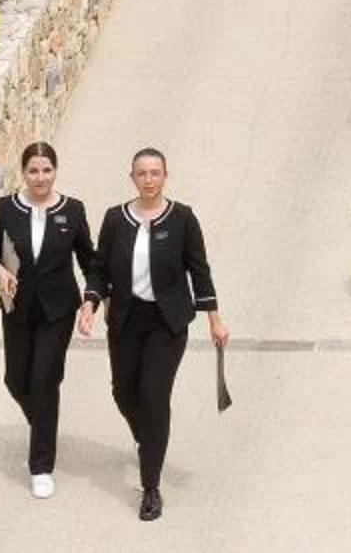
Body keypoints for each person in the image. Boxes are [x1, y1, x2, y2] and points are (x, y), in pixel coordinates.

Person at [96, 147, 226, 521]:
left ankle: (150, 484)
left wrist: (214, 319)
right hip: (125, 319)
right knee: (123, 393)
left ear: (165, 175)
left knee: (154, 397)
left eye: (155, 173)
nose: (149, 179)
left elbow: (200, 271)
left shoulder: (183, 219)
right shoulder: (115, 219)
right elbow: (98, 267)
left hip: (167, 323)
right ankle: (149, 439)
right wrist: (91, 301)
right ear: (132, 177)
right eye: (142, 173)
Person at [0, 142, 101, 499]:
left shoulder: (73, 210)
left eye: (46, 170)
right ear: (24, 173)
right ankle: (45, 428)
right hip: (17, 308)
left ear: (55, 171)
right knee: (16, 380)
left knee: (44, 380)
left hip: (57, 311)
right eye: (33, 170)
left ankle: (41, 465)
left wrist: (91, 301)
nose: (40, 177)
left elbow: (90, 262)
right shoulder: (6, 209)